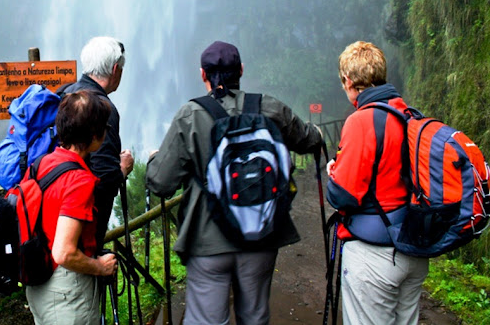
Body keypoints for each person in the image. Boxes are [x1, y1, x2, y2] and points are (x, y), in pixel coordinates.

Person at [146, 40, 323, 325]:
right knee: (254, 317)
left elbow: (160, 182)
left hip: (208, 241)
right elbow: (309, 139)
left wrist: (155, 159)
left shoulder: (189, 116)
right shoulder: (268, 107)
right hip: (262, 233)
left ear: (203, 75)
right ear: (240, 70)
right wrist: (316, 131)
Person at [326, 41, 429, 325]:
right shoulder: (408, 115)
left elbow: (343, 195)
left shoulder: (361, 121)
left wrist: (332, 173)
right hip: (413, 251)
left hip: (376, 256)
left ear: (348, 81)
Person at [25, 90, 118, 325]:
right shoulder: (79, 181)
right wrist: (99, 267)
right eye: (104, 127)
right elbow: (64, 252)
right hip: (67, 293)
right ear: (94, 134)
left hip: (39, 286)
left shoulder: (41, 164)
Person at [62, 36, 134, 252]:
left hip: (58, 215)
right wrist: (123, 170)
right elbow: (103, 180)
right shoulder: (101, 109)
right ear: (115, 69)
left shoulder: (66, 93)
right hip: (83, 230)